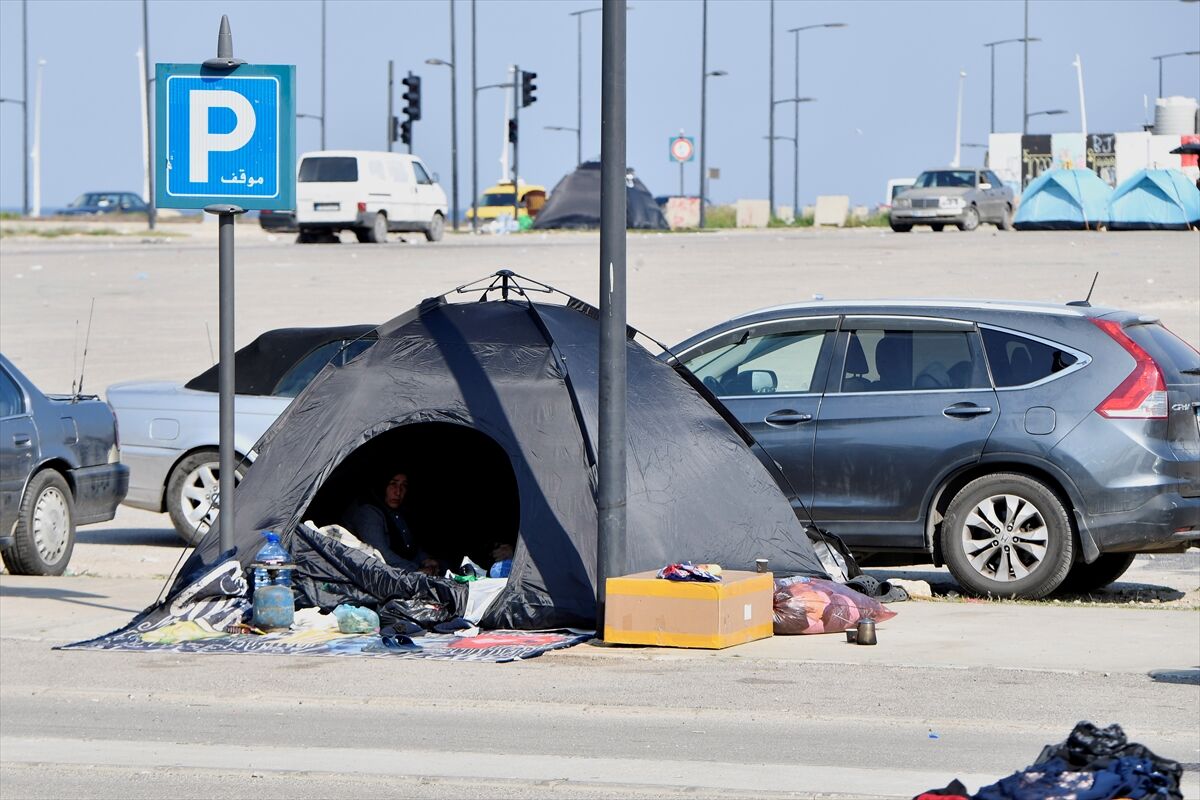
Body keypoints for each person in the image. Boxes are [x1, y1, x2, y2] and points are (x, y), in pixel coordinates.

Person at [340, 471, 439, 575]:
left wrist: (425, 559)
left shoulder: (399, 509)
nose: (398, 492)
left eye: (404, 486)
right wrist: (416, 571)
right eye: (393, 484)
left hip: (402, 568)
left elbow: (410, 547)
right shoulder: (367, 511)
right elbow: (381, 555)